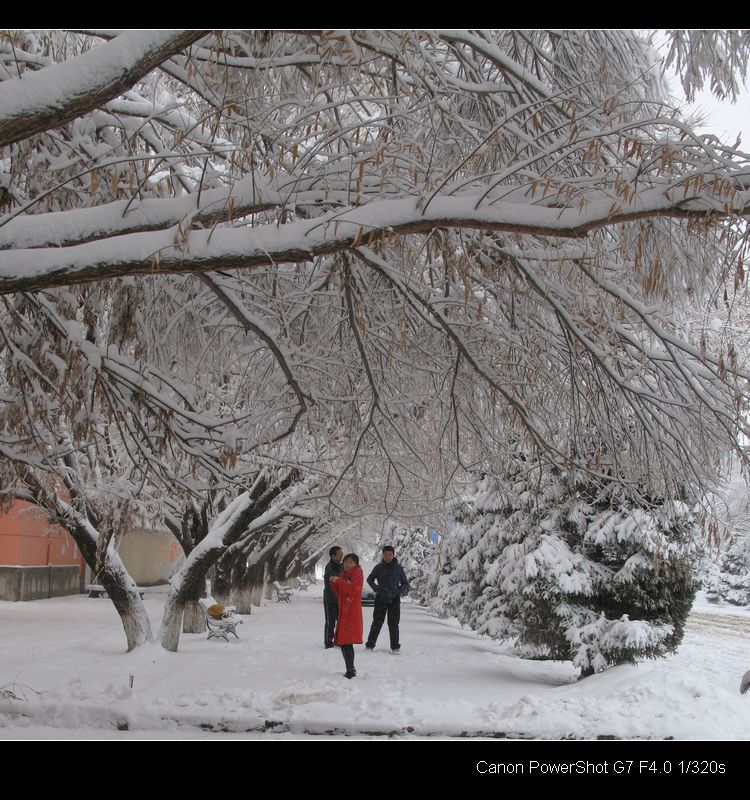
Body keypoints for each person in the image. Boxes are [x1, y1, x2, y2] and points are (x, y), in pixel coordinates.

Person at [365, 545, 409, 653]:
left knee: (393, 624)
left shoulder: (398, 568)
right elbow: (370, 579)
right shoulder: (378, 567)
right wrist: (377, 589)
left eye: (390, 555)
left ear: (393, 555)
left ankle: (395, 647)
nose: (387, 557)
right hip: (380, 599)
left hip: (394, 600)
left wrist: (398, 591)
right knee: (377, 623)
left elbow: (405, 583)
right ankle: (370, 645)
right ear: (383, 555)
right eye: (385, 555)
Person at [329, 553, 364, 678]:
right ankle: (350, 669)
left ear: (356, 563)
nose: (347, 564)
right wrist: (334, 583)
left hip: (352, 613)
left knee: (347, 642)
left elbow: (353, 590)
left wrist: (338, 581)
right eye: (346, 562)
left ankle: (351, 670)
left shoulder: (357, 573)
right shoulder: (344, 574)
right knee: (344, 642)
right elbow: (341, 592)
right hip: (344, 611)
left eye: (350, 562)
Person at [323, 546, 344, 648]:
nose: (341, 555)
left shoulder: (342, 566)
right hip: (330, 598)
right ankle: (328, 642)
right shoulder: (329, 567)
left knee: (341, 621)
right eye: (339, 554)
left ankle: (339, 640)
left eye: (341, 553)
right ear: (333, 556)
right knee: (330, 621)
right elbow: (336, 579)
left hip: (340, 599)